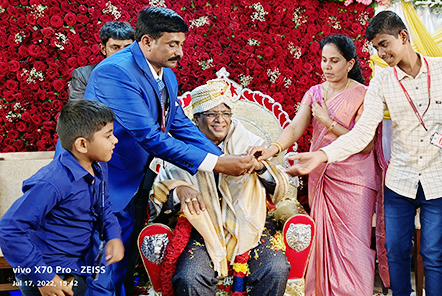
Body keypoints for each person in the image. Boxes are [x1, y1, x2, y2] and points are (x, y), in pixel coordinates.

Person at [284, 11, 442, 296]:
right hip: (401, 181)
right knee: (396, 250)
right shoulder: (382, 82)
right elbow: (362, 134)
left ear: (403, 37)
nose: (381, 53)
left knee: (434, 255)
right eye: (375, 47)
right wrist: (322, 155)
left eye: (384, 44)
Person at [82, 7, 254, 296]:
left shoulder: (166, 74)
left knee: (125, 262)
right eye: (173, 44)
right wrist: (217, 164)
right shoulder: (115, 72)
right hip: (106, 178)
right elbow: (150, 136)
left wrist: (221, 154)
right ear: (147, 42)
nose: (181, 52)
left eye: (182, 44)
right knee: (105, 263)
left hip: (138, 176)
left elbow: (178, 123)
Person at [250, 34, 384, 296]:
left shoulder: (364, 95)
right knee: (322, 240)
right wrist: (273, 149)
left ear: (350, 64)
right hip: (321, 174)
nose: (327, 67)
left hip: (355, 179)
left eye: (335, 61)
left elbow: (366, 144)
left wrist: (327, 121)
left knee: (353, 243)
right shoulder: (315, 93)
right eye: (324, 60)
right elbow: (296, 127)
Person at [152, 80, 290, 296]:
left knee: (276, 268)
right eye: (211, 113)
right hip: (201, 231)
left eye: (225, 113)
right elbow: (157, 195)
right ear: (196, 119)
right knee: (190, 277)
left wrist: (259, 167)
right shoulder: (181, 148)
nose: (220, 120)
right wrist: (179, 190)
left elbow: (279, 186)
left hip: (251, 226)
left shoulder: (249, 142)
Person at [0, 100, 124, 296]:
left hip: (77, 264)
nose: (115, 140)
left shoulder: (99, 166)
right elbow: (10, 229)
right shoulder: (53, 182)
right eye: (108, 136)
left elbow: (103, 205)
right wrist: (44, 278)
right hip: (46, 269)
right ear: (82, 144)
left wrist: (113, 235)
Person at [69, 21, 134, 101]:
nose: (122, 53)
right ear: (103, 49)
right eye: (115, 47)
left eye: (127, 48)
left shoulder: (143, 73)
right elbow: (77, 111)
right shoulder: (83, 76)